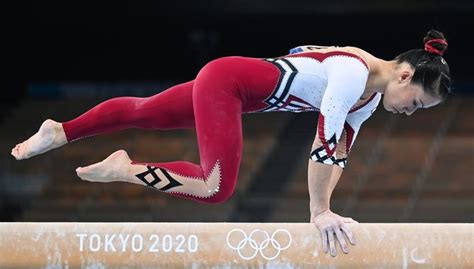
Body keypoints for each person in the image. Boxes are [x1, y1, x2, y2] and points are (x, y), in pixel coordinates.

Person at [11, 29, 450, 257]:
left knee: (145, 111)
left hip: (232, 90)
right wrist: (318, 211)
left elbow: (337, 156)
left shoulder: (368, 98)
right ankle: (123, 168)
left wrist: (326, 208)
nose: (410, 112)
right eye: (415, 102)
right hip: (230, 86)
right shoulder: (352, 72)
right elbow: (322, 142)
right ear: (405, 75)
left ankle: (61, 130)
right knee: (214, 186)